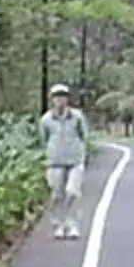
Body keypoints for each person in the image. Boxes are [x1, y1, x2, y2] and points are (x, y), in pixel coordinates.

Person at [41, 84, 89, 238]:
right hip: (54, 162)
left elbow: (83, 135)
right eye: (56, 97)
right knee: (56, 194)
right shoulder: (46, 120)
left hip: (75, 160)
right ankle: (59, 225)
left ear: (67, 99)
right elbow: (44, 139)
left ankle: (73, 224)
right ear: (52, 100)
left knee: (72, 192)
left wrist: (81, 153)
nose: (60, 100)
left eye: (63, 96)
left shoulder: (77, 117)